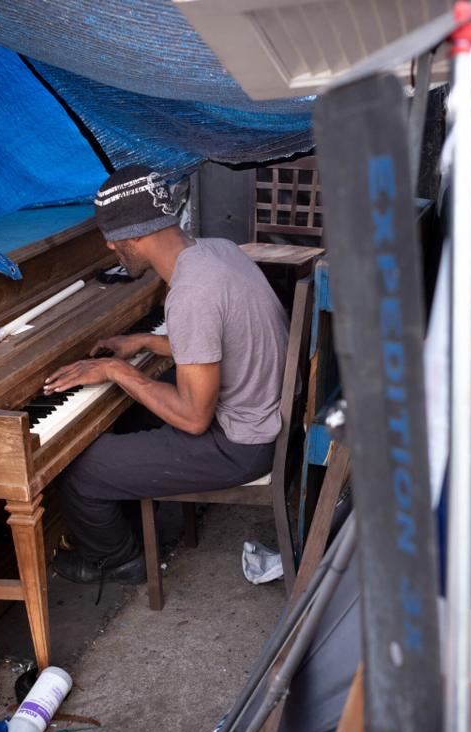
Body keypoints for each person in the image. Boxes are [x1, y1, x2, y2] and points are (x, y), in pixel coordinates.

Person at [43, 165, 290, 588]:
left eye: (114, 239)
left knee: (78, 468)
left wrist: (116, 369)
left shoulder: (191, 293)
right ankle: (139, 522)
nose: (109, 246)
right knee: (130, 420)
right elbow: (218, 342)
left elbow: (194, 418)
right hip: (265, 415)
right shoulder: (219, 251)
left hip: (241, 445)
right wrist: (143, 342)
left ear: (136, 236)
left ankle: (118, 561)